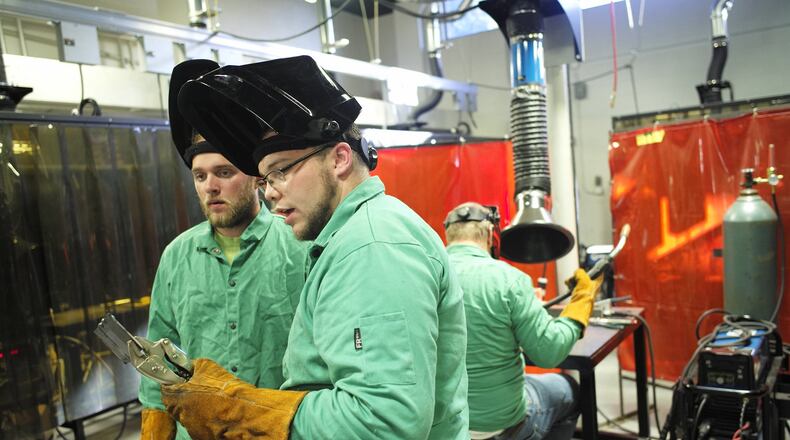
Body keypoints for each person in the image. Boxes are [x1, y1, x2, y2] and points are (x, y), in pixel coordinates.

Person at [155, 55, 469, 439]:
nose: (270, 192)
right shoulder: (346, 239)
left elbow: (384, 422)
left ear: (338, 159)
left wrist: (244, 409)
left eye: (281, 170)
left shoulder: (372, 248)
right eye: (266, 178)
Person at [138, 60, 309, 440]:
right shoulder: (177, 256)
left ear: (253, 177)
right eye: (200, 176)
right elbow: (157, 357)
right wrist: (156, 428)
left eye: (224, 173)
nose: (210, 186)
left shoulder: (298, 246)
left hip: (273, 430)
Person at [444, 202, 602, 440]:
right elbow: (549, 353)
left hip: (449, 426)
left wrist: (526, 305)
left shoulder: (427, 278)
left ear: (448, 234)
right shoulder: (509, 279)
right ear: (491, 234)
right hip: (501, 426)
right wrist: (581, 303)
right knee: (569, 389)